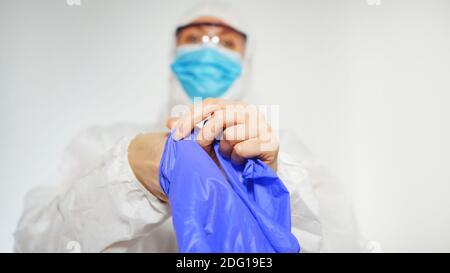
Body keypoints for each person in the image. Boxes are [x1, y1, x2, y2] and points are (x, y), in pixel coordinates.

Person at [14, 1, 364, 253]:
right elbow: (33, 242)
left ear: (246, 61)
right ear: (173, 52)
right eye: (195, 38)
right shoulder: (101, 144)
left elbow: (342, 242)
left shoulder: (290, 155)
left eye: (226, 43)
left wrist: (266, 187)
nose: (208, 51)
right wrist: (128, 176)